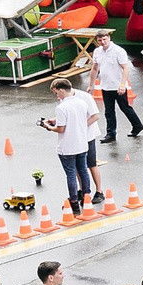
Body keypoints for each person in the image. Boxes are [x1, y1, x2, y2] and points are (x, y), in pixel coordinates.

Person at [40, 77, 102, 216]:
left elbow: (61, 129)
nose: (57, 96)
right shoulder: (81, 103)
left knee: (71, 174)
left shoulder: (61, 107)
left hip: (67, 147)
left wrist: (48, 127)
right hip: (82, 144)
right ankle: (86, 198)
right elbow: (77, 119)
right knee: (84, 170)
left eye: (56, 93)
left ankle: (74, 202)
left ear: (62, 90)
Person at [91, 35, 143, 142]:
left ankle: (137, 125)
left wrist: (122, 84)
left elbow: (125, 68)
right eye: (100, 40)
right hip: (105, 86)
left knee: (125, 107)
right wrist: (91, 84)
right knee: (109, 111)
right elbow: (95, 68)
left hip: (117, 85)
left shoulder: (118, 51)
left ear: (109, 38)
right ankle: (111, 134)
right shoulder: (97, 52)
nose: (103, 42)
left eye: (104, 39)